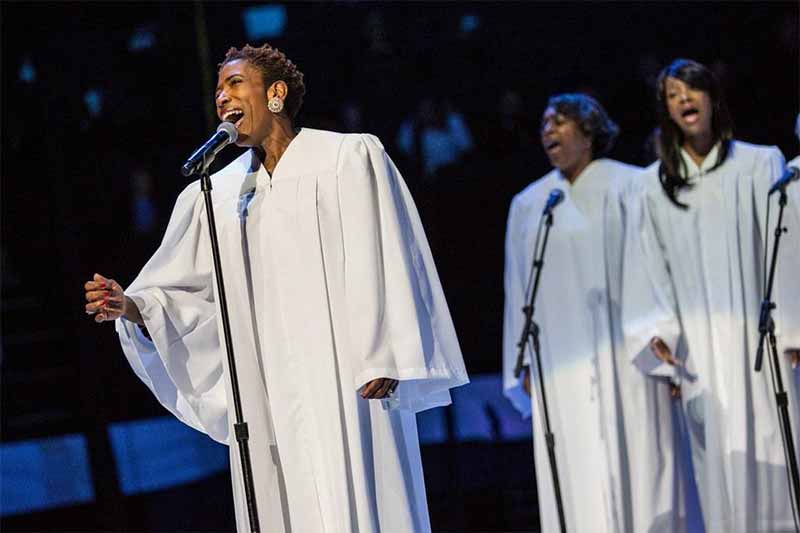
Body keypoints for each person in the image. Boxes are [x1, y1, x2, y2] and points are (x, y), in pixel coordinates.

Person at [84, 43, 468, 533]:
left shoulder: (347, 157)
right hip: (266, 392)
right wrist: (133, 306)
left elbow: (390, 252)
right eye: (218, 90)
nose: (222, 97)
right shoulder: (215, 193)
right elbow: (185, 295)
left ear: (276, 93)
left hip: (348, 376)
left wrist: (385, 353)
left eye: (235, 83)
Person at [622, 58, 800, 533]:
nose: (684, 99)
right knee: (717, 470)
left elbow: (785, 251)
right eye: (673, 94)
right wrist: (660, 340)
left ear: (711, 97)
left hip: (762, 345)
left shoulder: (761, 164)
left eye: (692, 89)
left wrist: (793, 330)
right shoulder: (650, 187)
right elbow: (646, 270)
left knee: (778, 454)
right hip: (698, 354)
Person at [502, 93, 682, 532]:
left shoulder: (632, 185)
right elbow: (517, 288)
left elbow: (659, 264)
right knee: (575, 467)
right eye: (544, 123)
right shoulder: (532, 203)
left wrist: (667, 338)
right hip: (562, 363)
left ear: (589, 132)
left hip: (628, 355)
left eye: (561, 122)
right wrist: (519, 361)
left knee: (640, 461)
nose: (549, 130)